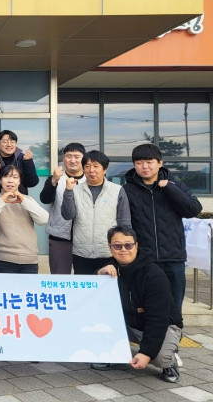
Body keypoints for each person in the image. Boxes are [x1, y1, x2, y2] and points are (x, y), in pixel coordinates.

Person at [94, 226, 182, 383]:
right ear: (110, 247)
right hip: (128, 323)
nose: (123, 250)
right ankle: (116, 357)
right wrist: (98, 274)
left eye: (128, 245)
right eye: (117, 246)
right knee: (95, 323)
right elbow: (89, 298)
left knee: (159, 357)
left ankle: (170, 361)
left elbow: (158, 319)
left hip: (162, 324)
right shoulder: (109, 269)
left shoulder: (154, 275)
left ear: (136, 245)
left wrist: (146, 353)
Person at [124, 143, 202, 316]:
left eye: (149, 162)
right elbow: (124, 223)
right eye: (139, 163)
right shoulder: (127, 190)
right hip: (143, 258)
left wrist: (169, 188)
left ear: (160, 163)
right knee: (145, 305)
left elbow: (193, 209)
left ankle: (173, 332)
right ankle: (148, 333)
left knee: (174, 305)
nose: (144, 167)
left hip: (173, 257)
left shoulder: (175, 185)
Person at [61, 150, 131, 275]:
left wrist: (123, 248)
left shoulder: (117, 190)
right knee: (84, 286)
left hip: (109, 253)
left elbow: (124, 222)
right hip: (81, 253)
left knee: (108, 286)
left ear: (104, 169)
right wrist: (68, 191)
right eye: (87, 166)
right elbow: (67, 215)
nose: (91, 170)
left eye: (96, 166)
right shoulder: (75, 190)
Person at [0, 165, 49, 274]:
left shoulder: (28, 200)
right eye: (6, 176)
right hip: (2, 259)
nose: (10, 180)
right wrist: (2, 201)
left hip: (29, 260)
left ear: (19, 181)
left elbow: (43, 220)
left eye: (15, 177)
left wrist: (24, 201)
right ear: (0, 180)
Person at [40, 142, 86, 274]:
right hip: (59, 238)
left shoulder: (90, 179)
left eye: (77, 156)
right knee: (59, 278)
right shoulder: (55, 179)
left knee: (85, 278)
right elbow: (45, 199)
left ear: (84, 159)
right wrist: (54, 181)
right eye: (68, 156)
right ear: (63, 159)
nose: (72, 160)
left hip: (85, 238)